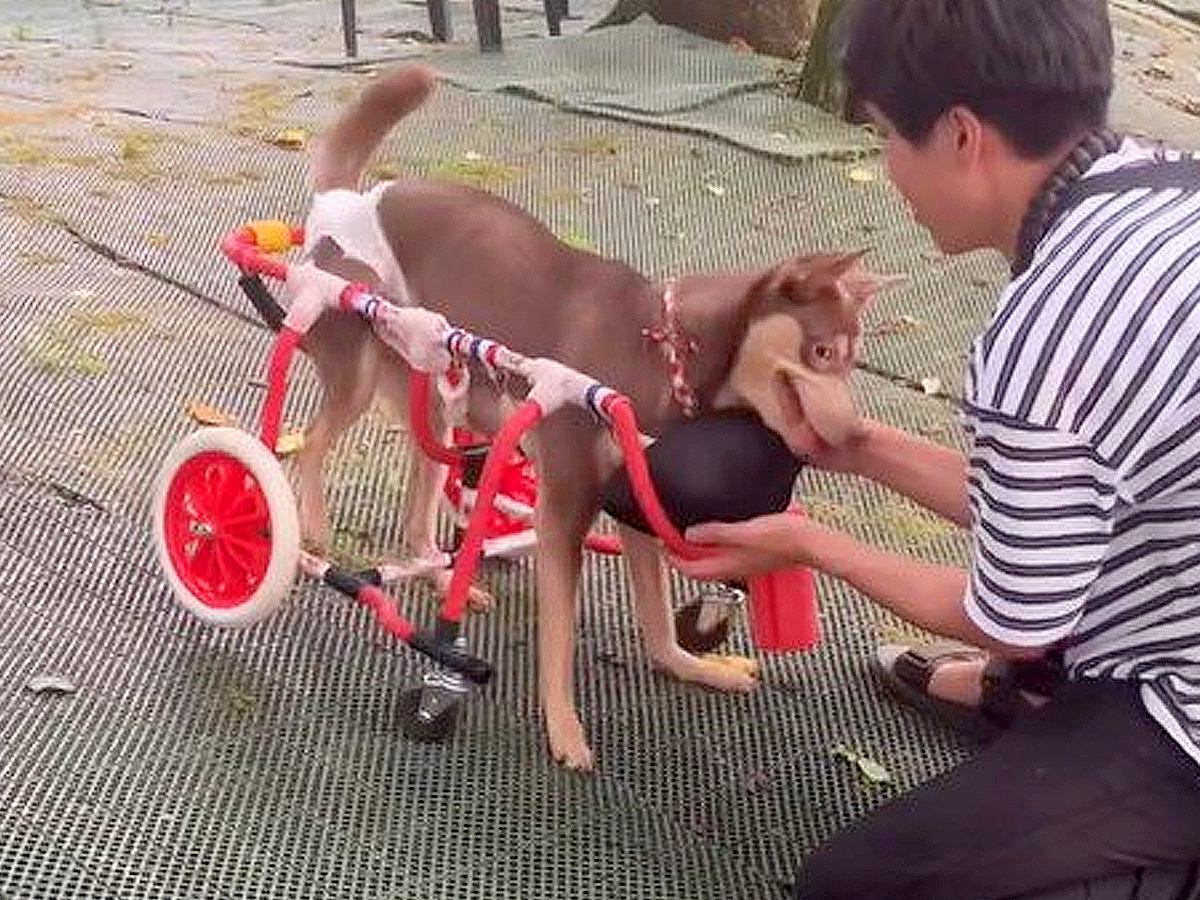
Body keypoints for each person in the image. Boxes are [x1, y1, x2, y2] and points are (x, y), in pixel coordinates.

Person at [671, 1, 1200, 897]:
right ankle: (1032, 711)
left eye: (884, 136)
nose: (888, 173)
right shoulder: (1160, 181)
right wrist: (862, 446)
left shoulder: (1051, 334)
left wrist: (807, 542)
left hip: (1177, 701)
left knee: (855, 885)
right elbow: (1060, 494)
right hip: (1167, 586)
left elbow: (1015, 620)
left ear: (961, 134)